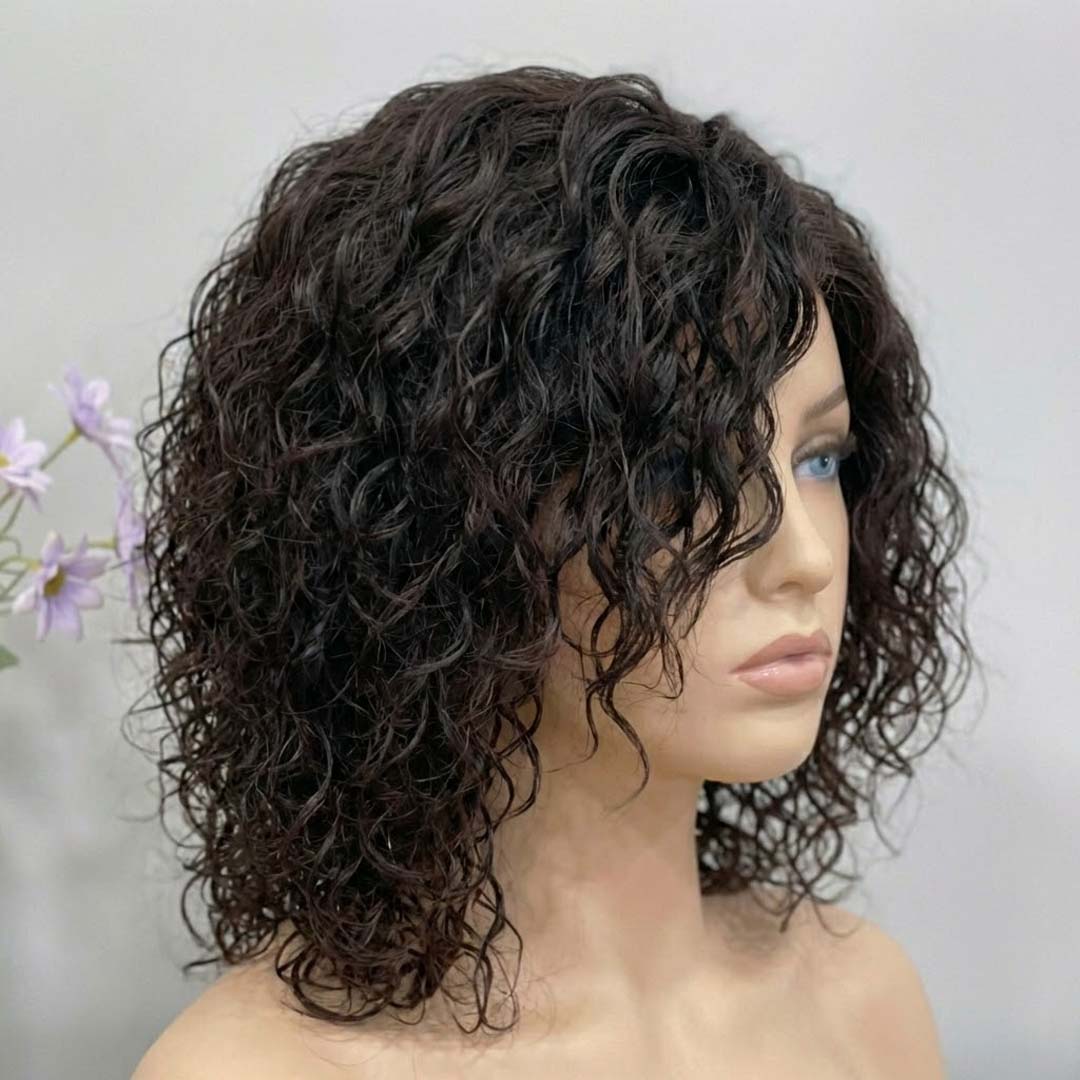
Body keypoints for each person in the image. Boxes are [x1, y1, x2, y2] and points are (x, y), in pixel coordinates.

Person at [130, 65, 976, 1078]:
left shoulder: (861, 1010)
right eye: (677, 471)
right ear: (442, 519)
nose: (806, 557)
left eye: (819, 459)